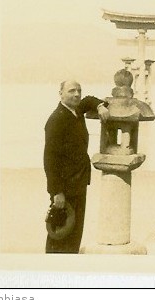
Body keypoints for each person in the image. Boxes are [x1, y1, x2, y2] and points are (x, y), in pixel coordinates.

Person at [43, 80, 109, 254]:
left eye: (78, 90)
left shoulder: (76, 111)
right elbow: (49, 160)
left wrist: (101, 106)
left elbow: (88, 100)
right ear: (61, 93)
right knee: (59, 232)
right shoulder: (56, 119)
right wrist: (56, 192)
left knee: (74, 232)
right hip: (64, 188)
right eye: (71, 91)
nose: (76, 94)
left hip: (79, 183)